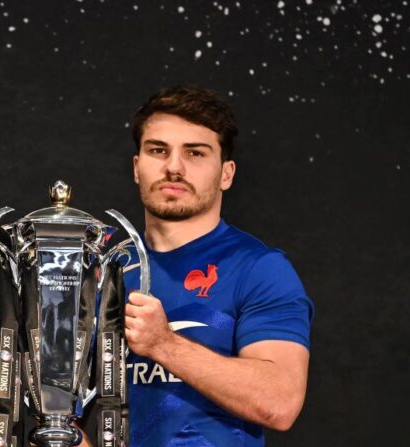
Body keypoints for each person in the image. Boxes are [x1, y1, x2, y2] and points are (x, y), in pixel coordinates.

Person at [120, 85, 314, 446]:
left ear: (226, 173)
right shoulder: (102, 268)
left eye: (195, 153)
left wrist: (163, 344)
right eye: (158, 150)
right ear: (137, 167)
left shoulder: (260, 269)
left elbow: (280, 402)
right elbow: (62, 401)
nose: (173, 167)